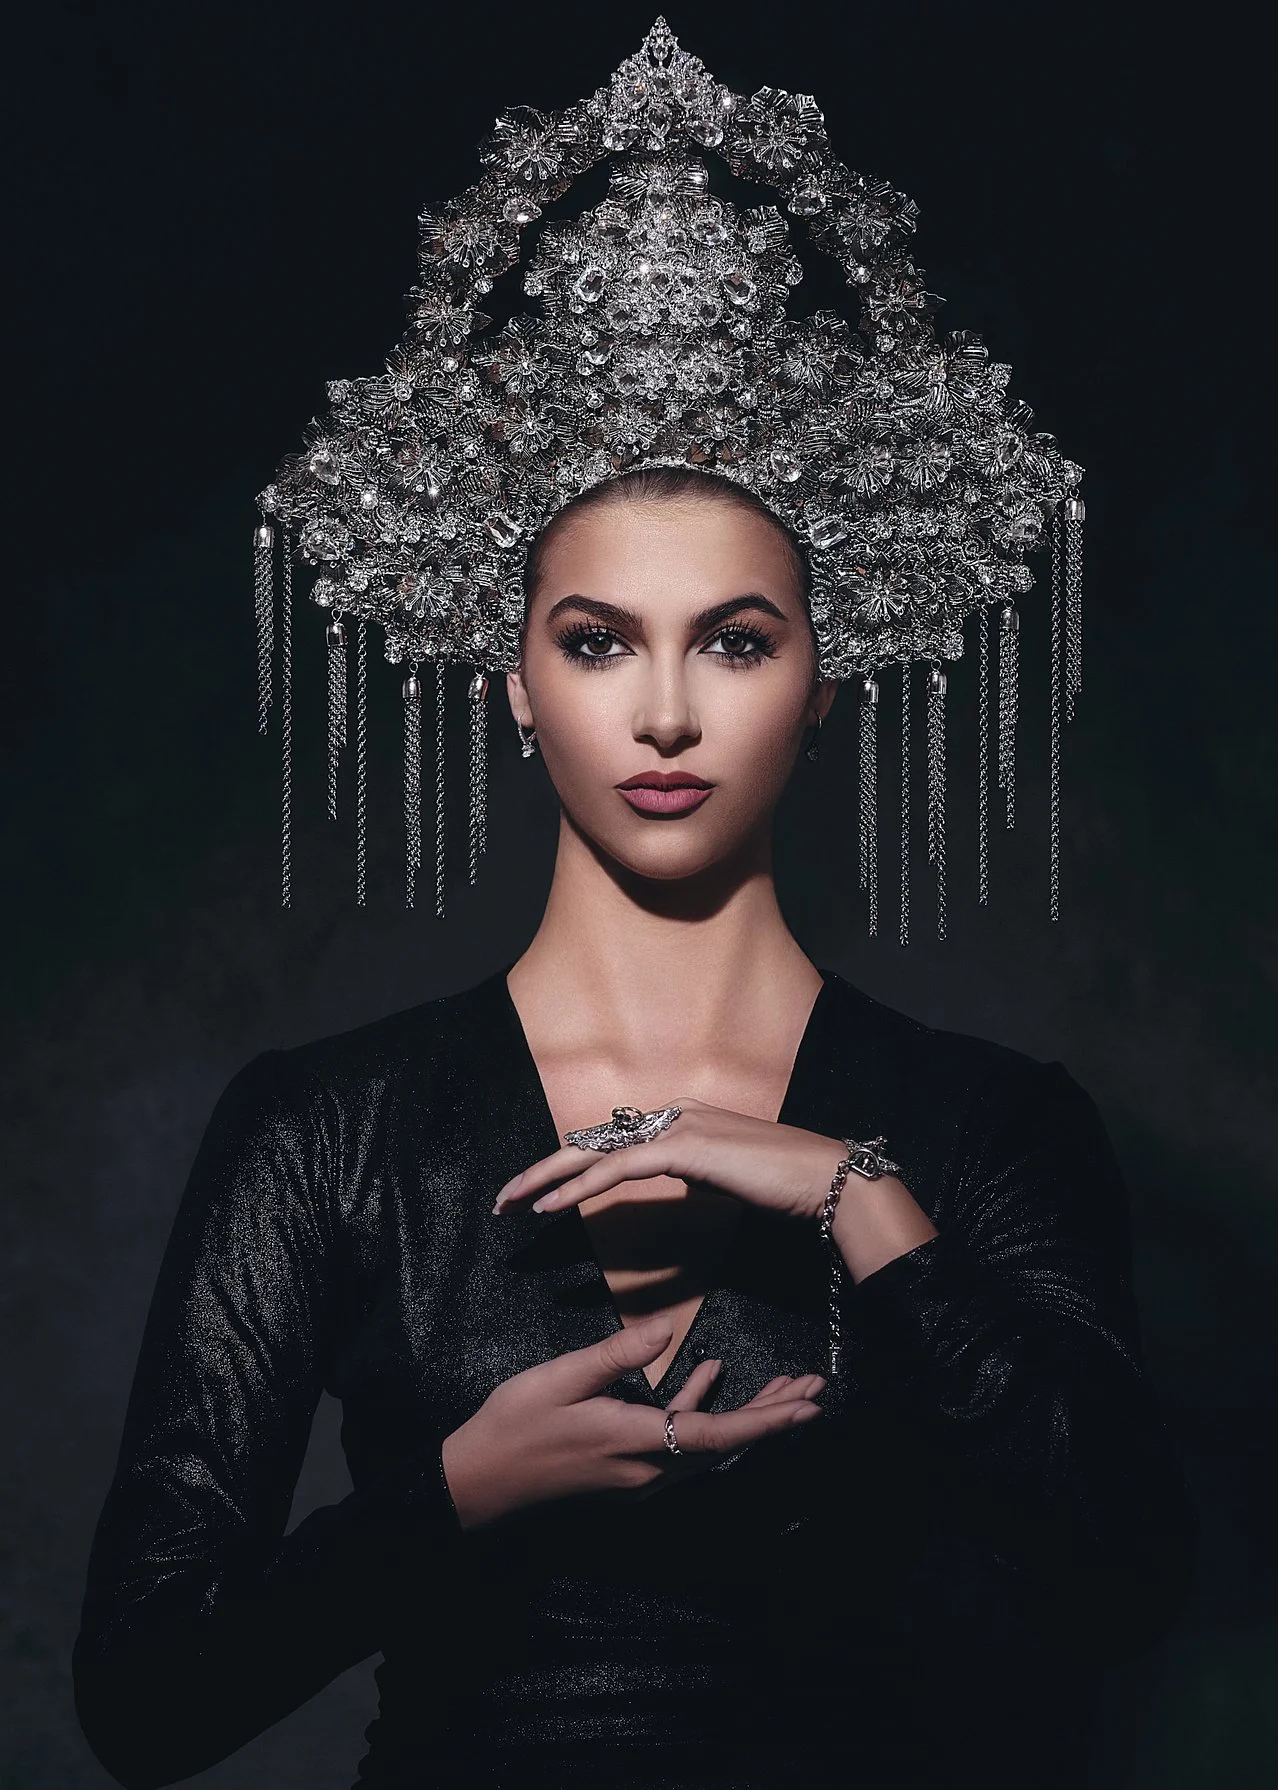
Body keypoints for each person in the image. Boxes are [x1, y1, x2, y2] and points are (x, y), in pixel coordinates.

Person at [73, 21, 1196, 1790]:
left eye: (733, 642)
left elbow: (1124, 1573)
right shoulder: (326, 1130)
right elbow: (139, 1700)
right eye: (597, 642)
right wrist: (451, 1497)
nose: (663, 713)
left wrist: (853, 1192)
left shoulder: (978, 1126)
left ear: (821, 685)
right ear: (516, 683)